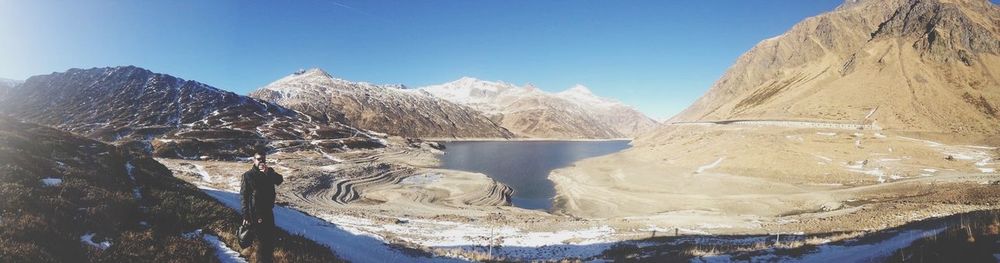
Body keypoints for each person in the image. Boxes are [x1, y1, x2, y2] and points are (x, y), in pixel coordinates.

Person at [241, 149, 284, 263]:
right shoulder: (248, 175)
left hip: (268, 212)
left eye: (263, 159)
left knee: (270, 242)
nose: (261, 161)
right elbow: (244, 197)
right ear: (254, 160)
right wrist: (245, 215)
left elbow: (279, 180)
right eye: (259, 159)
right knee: (262, 243)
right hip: (256, 214)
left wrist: (268, 173)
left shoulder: (269, 172)